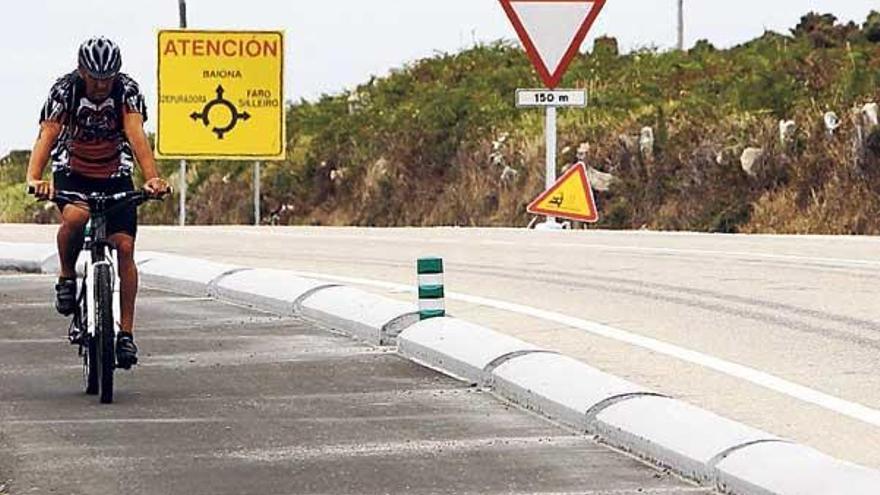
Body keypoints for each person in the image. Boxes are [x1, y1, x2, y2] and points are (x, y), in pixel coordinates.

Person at [26, 37, 170, 369]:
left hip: (114, 168)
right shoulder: (65, 90)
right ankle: (66, 276)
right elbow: (47, 135)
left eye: (108, 77)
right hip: (73, 168)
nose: (102, 85)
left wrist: (152, 178)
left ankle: (126, 336)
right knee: (75, 219)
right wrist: (35, 178)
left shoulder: (127, 91)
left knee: (124, 246)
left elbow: (136, 135)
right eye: (95, 77)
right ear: (82, 71)